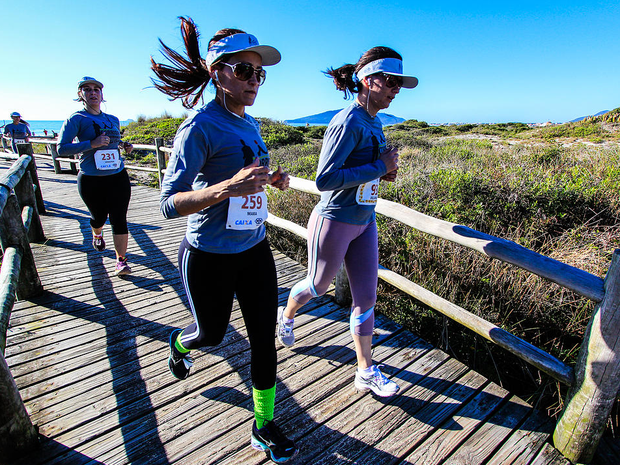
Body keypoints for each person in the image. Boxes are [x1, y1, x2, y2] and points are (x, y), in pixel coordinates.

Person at [151, 17, 298, 463]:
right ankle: (180, 344)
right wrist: (224, 189)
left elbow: (250, 173)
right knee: (211, 335)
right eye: (244, 70)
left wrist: (272, 179)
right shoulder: (199, 127)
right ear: (219, 73)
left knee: (262, 339)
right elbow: (166, 203)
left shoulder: (250, 124)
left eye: (260, 73)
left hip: (254, 249)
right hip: (208, 255)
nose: (255, 80)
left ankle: (263, 424)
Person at [276, 47, 418, 398]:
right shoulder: (348, 121)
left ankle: (365, 370)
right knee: (318, 286)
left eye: (398, 84)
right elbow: (325, 179)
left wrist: (383, 174)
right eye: (390, 81)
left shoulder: (375, 121)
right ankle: (288, 314)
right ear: (368, 80)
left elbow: (366, 169)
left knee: (367, 297)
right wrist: (379, 167)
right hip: (335, 220)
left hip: (365, 221)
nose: (395, 89)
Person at [57, 77, 134, 276]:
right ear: (80, 94)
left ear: (101, 94)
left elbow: (113, 142)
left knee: (119, 218)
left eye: (96, 89)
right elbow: (61, 149)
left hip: (117, 175)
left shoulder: (113, 119)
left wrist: (124, 146)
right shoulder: (76, 119)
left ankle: (121, 261)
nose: (93, 93)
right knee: (99, 216)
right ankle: (97, 233)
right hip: (91, 178)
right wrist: (90, 144)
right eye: (87, 89)